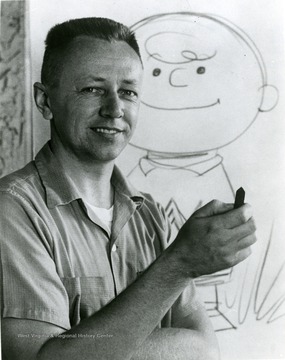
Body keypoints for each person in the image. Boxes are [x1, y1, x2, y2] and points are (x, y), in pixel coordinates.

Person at [0, 17, 257, 360]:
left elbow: (205, 350)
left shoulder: (148, 214)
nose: (114, 109)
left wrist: (90, 350)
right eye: (92, 89)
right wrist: (178, 264)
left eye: (128, 92)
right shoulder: (13, 209)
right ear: (45, 101)